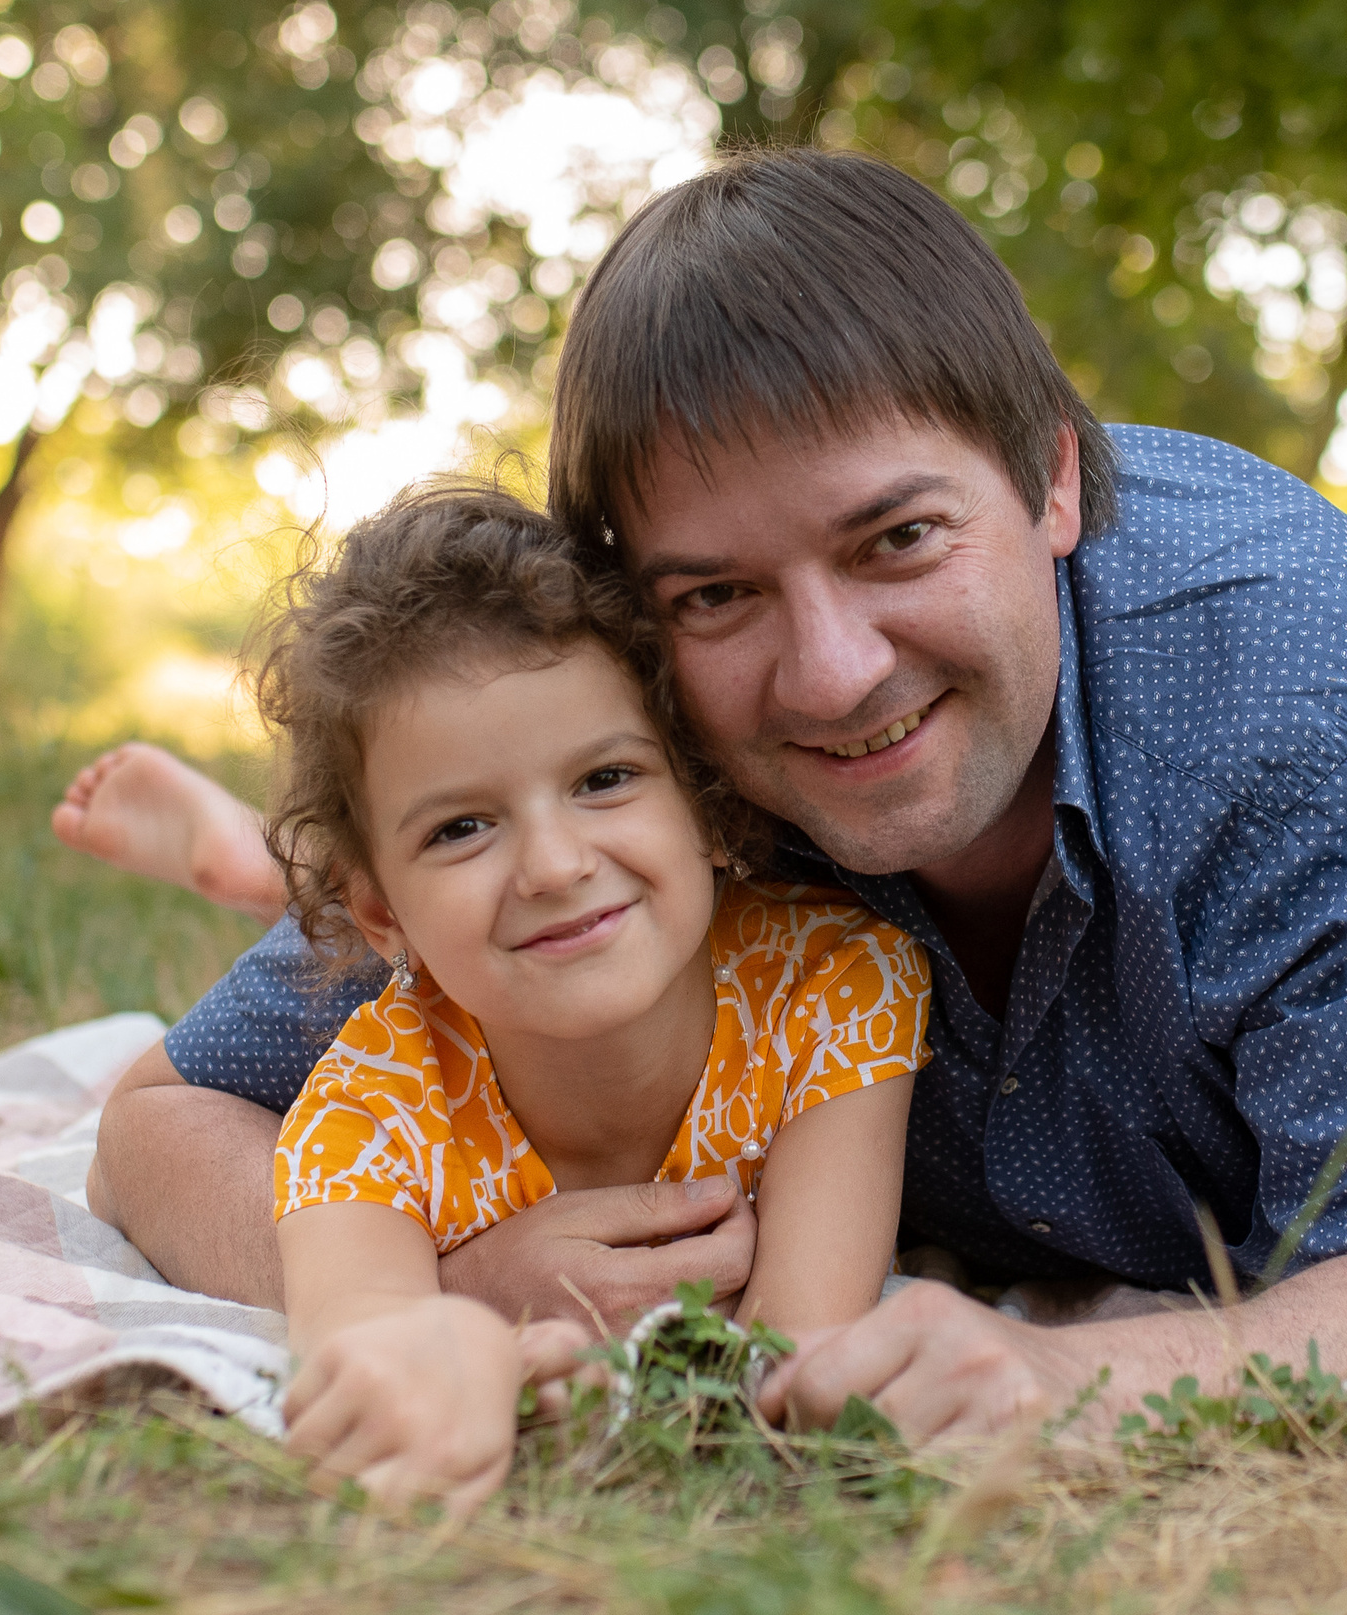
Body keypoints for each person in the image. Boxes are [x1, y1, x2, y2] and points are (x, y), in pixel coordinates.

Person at [73, 147, 1347, 1447]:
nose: (830, 675)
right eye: (717, 593)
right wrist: (448, 1283)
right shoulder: (626, 759)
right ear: (637, 611)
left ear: (1052, 476)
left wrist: (1063, 1383)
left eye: (898, 539)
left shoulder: (1324, 703)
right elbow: (165, 1125)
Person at [248, 482, 932, 1510]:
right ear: (383, 915)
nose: (556, 865)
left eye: (604, 779)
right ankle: (231, 856)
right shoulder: (368, 1112)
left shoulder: (832, 985)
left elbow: (796, 1355)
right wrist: (446, 1363)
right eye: (460, 828)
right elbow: (368, 1337)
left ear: (701, 800)